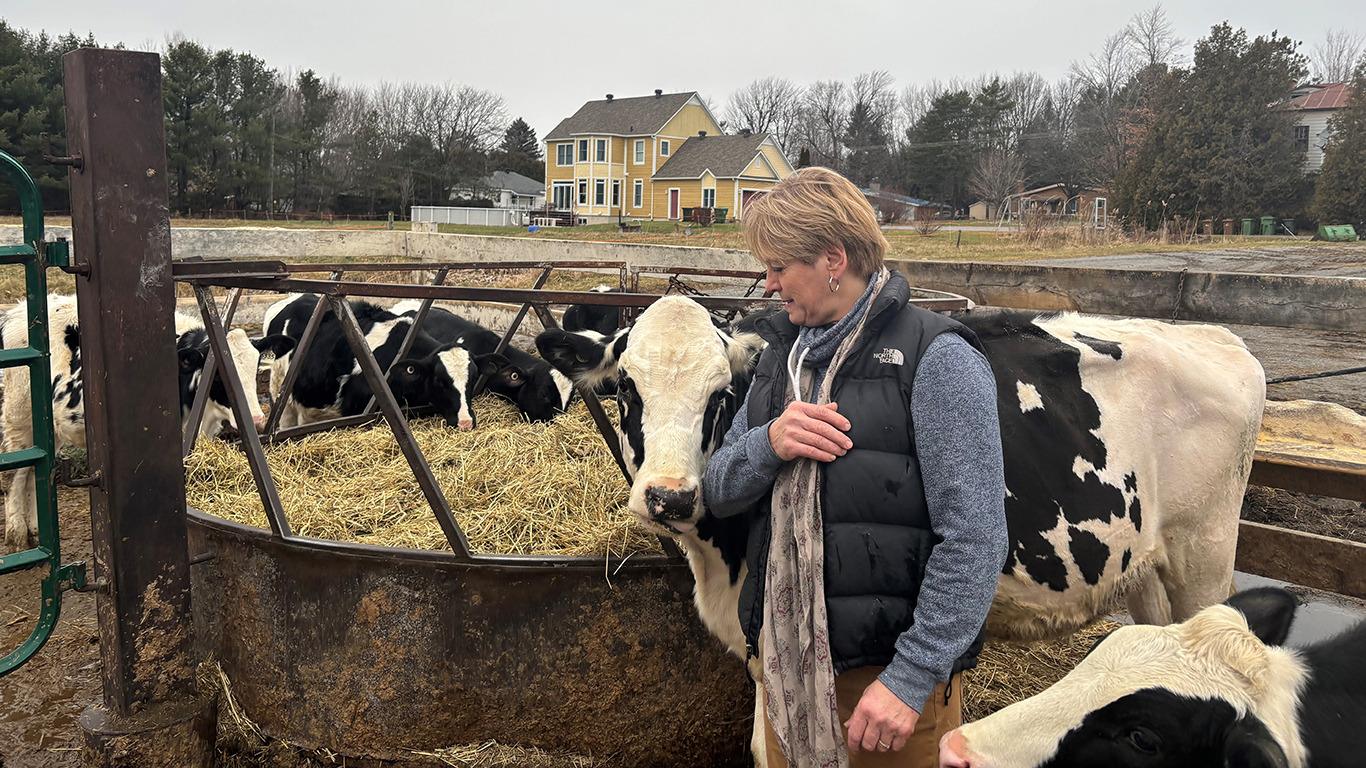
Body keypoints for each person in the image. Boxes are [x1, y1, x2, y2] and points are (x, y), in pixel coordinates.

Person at [702, 167, 1008, 768]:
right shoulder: (781, 361)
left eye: (778, 267)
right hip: (786, 671)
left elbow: (976, 537)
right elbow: (718, 488)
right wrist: (770, 441)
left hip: (887, 689)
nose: (767, 286)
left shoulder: (936, 357)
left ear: (833, 259)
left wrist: (911, 677)